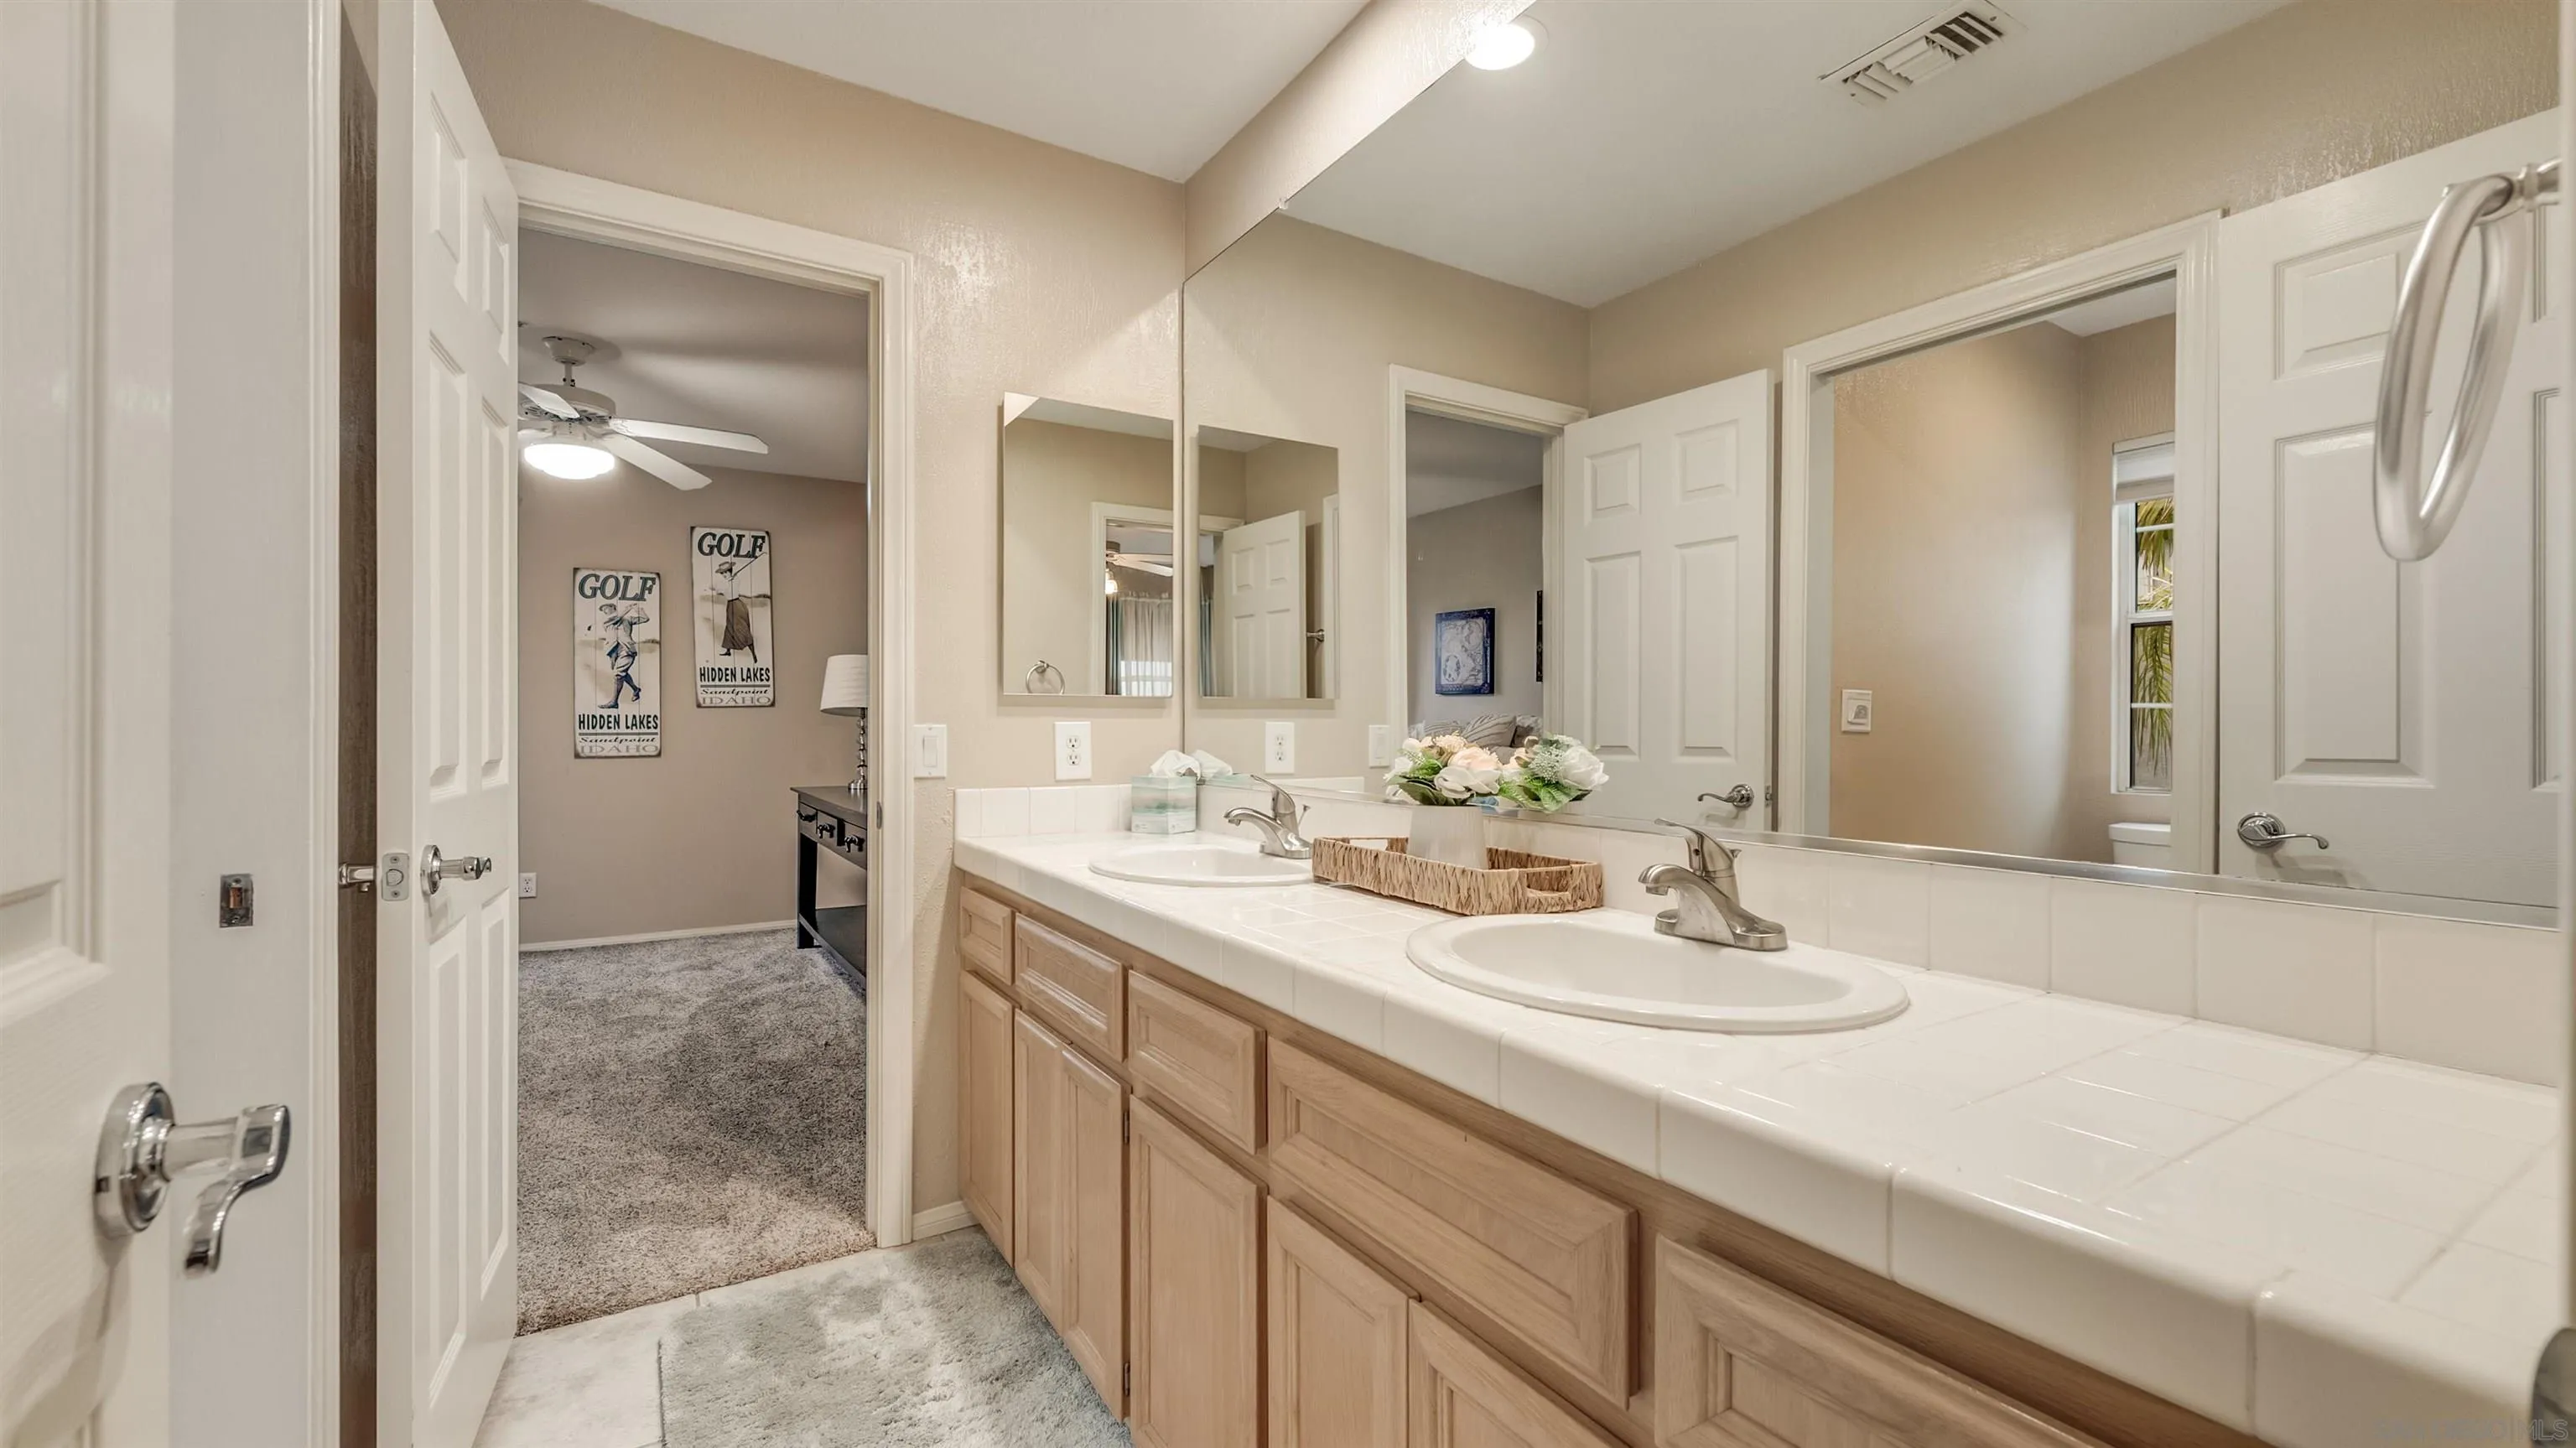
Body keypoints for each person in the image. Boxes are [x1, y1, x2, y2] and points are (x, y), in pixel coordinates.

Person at [596, 601, 648, 708]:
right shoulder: (606, 621)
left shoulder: (628, 619)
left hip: (627, 649)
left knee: (618, 674)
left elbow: (645, 619)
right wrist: (627, 609)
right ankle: (636, 689)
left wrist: (637, 609)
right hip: (613, 652)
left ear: (613, 607)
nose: (605, 612)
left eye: (606, 609)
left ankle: (614, 702)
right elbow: (617, 617)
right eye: (603, 610)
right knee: (622, 674)